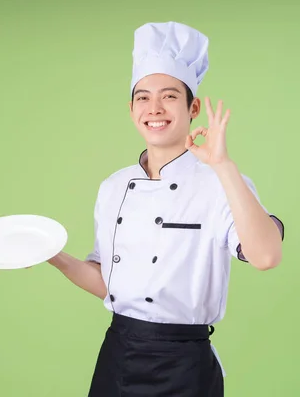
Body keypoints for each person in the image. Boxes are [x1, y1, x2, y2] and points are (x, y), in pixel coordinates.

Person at [47, 21, 285, 397]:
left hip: (184, 365)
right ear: (131, 109)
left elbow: (267, 255)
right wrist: (53, 256)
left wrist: (224, 166)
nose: (154, 108)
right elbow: (109, 284)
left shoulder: (219, 181)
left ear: (193, 107)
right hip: (117, 355)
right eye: (143, 97)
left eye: (169, 96)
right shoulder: (112, 188)